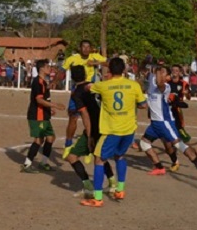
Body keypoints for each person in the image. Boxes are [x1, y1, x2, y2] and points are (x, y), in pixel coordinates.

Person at [81, 57, 147, 207]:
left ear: (109, 70)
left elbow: (88, 88)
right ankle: (120, 190)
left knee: (99, 160)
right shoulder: (134, 85)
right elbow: (143, 105)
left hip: (111, 130)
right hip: (129, 129)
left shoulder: (103, 86)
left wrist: (89, 85)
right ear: (124, 70)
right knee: (120, 156)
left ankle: (98, 198)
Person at [139, 65, 197, 181]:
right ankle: (159, 167)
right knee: (144, 144)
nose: (159, 74)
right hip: (155, 124)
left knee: (179, 145)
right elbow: (144, 72)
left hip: (164, 123)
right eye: (159, 72)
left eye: (163, 73)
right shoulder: (152, 85)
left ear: (167, 77)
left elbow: (160, 83)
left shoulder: (165, 87)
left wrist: (158, 72)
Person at [64, 65, 115, 197]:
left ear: (72, 78)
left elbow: (85, 114)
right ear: (86, 74)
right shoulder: (94, 86)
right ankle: (113, 184)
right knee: (99, 156)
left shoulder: (77, 93)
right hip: (105, 124)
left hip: (93, 127)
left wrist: (89, 134)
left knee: (72, 157)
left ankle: (88, 187)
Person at [61, 40, 107, 157]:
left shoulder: (94, 56)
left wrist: (96, 62)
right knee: (73, 117)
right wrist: (54, 81)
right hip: (77, 90)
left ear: (91, 48)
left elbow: (110, 63)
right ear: (79, 48)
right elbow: (61, 70)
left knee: (92, 118)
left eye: (88, 47)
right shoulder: (72, 59)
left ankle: (90, 146)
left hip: (90, 90)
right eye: (83, 47)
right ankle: (68, 144)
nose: (86, 49)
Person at [21, 59, 66, 173]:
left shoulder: (44, 82)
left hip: (44, 115)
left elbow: (44, 99)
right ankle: (27, 164)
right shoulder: (38, 82)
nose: (49, 69)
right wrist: (55, 105)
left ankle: (43, 163)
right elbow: (39, 100)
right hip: (37, 116)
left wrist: (49, 109)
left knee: (51, 138)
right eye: (47, 67)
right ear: (41, 69)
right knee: (39, 140)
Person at [167, 65, 192, 143]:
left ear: (180, 72)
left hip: (177, 108)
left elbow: (189, 97)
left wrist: (187, 93)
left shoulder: (184, 83)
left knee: (179, 127)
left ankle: (185, 141)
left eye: (176, 70)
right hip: (167, 107)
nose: (174, 72)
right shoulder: (167, 83)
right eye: (173, 70)